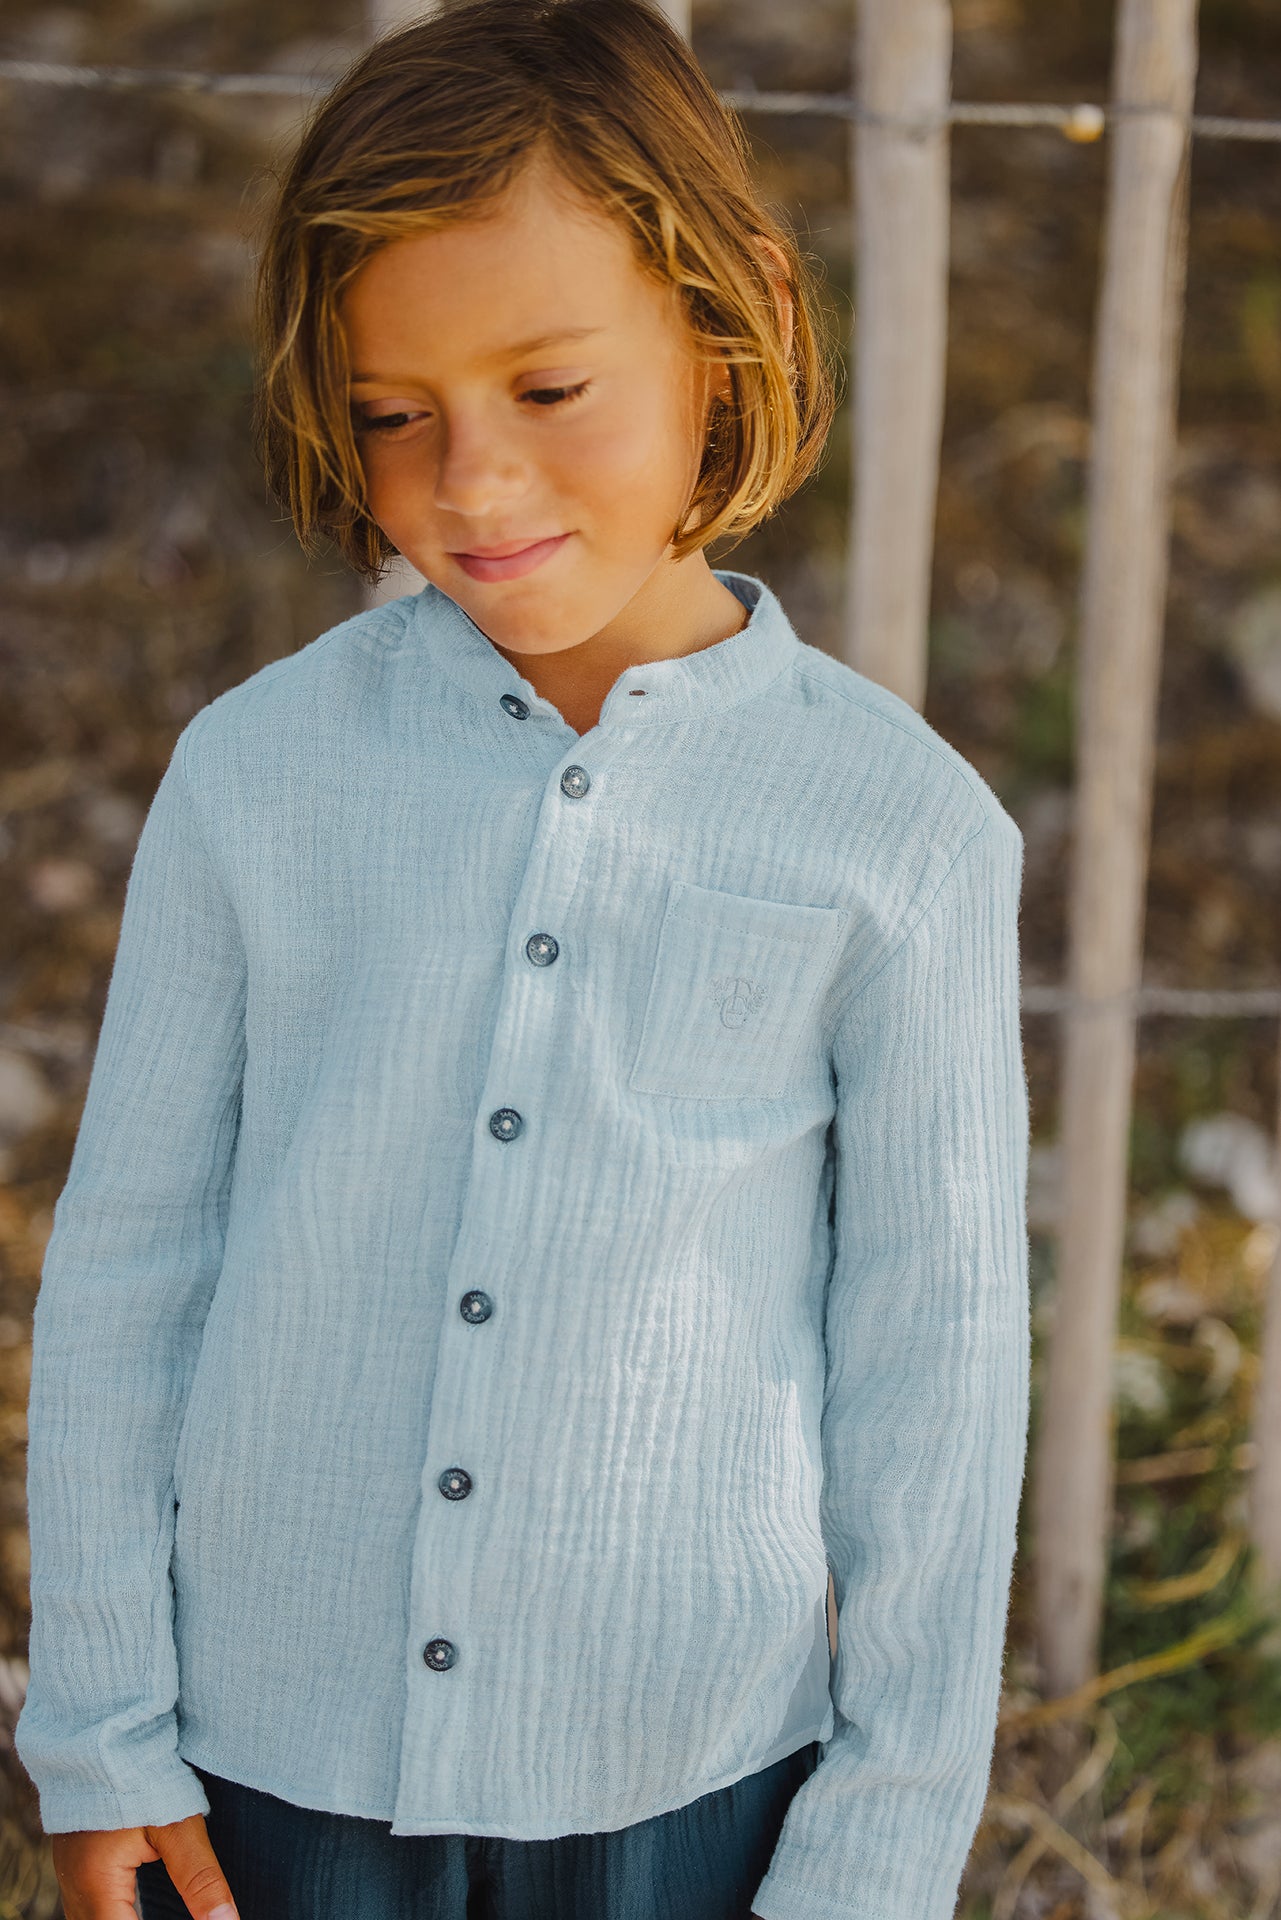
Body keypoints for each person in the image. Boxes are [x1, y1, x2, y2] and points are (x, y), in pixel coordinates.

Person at [15, 1, 1032, 1916]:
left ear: (730, 331)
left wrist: (876, 1856)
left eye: (549, 389)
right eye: (393, 414)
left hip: (688, 1794)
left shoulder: (899, 831)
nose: (469, 483)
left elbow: (936, 1376)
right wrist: (102, 1730)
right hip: (264, 1783)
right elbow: (130, 1269)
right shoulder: (253, 777)